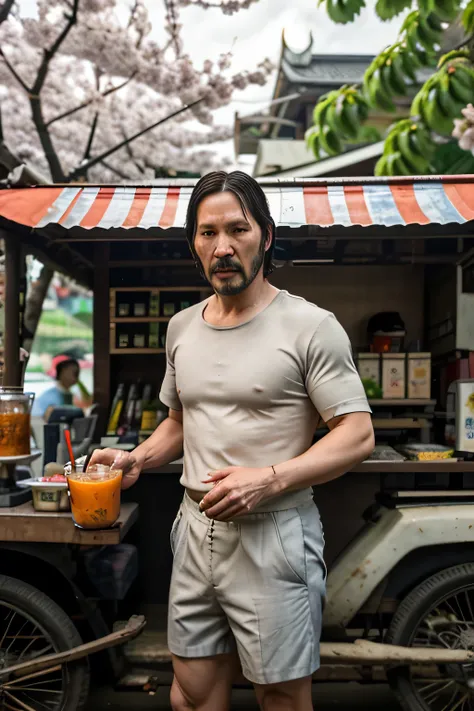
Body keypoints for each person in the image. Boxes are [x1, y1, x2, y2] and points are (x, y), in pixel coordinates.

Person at [89, 171, 375, 711]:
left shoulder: (311, 326)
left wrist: (267, 480)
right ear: (194, 244)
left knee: (282, 698)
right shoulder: (181, 328)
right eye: (206, 233)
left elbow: (357, 433)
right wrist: (135, 459)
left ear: (264, 236)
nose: (222, 247)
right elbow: (180, 421)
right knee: (191, 696)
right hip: (194, 530)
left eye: (237, 230)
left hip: (274, 534)